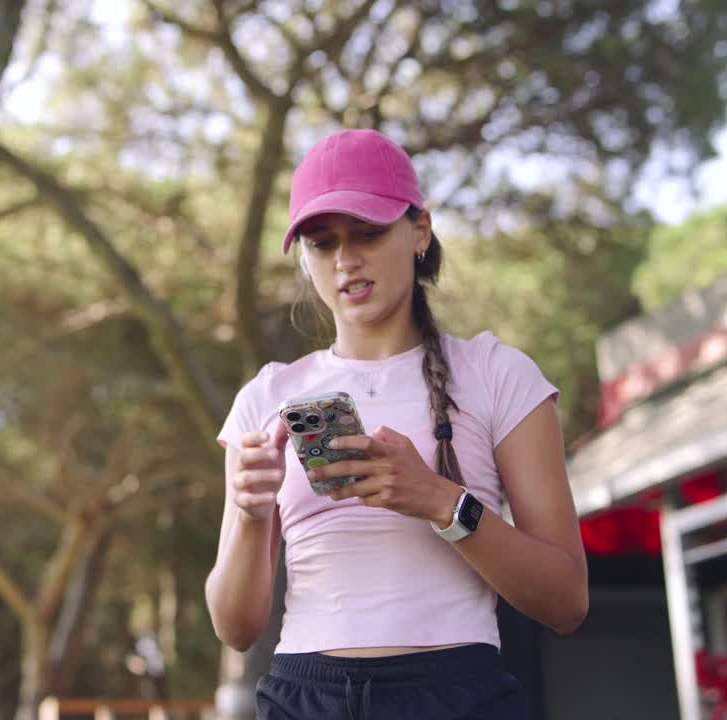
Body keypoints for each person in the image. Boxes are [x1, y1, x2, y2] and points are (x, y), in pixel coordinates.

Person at [205, 129, 588, 719]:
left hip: (457, 692)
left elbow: (566, 601)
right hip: (304, 695)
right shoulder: (267, 395)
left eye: (367, 231)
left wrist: (440, 502)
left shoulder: (498, 375)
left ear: (419, 231)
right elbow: (235, 627)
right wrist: (251, 516)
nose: (346, 259)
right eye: (322, 242)